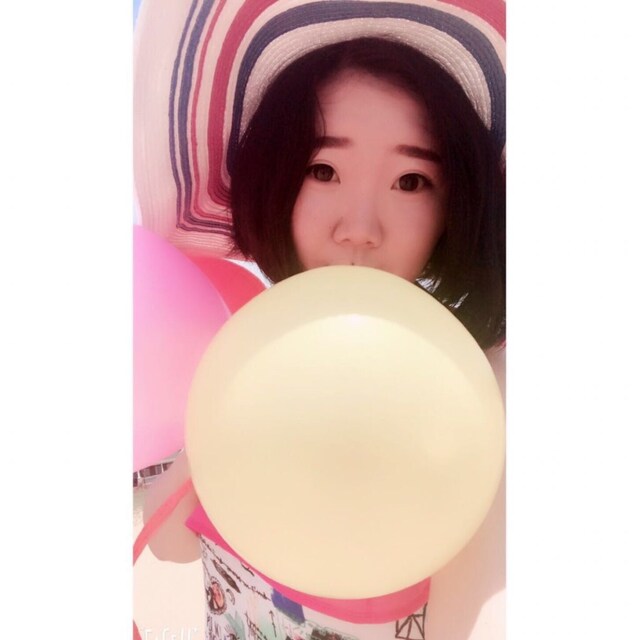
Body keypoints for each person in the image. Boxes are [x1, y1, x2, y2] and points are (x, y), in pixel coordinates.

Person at [136, 1, 506, 638]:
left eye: (411, 181)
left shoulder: (482, 390)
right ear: (275, 178)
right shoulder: (240, 351)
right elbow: (172, 544)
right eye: (323, 169)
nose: (359, 229)